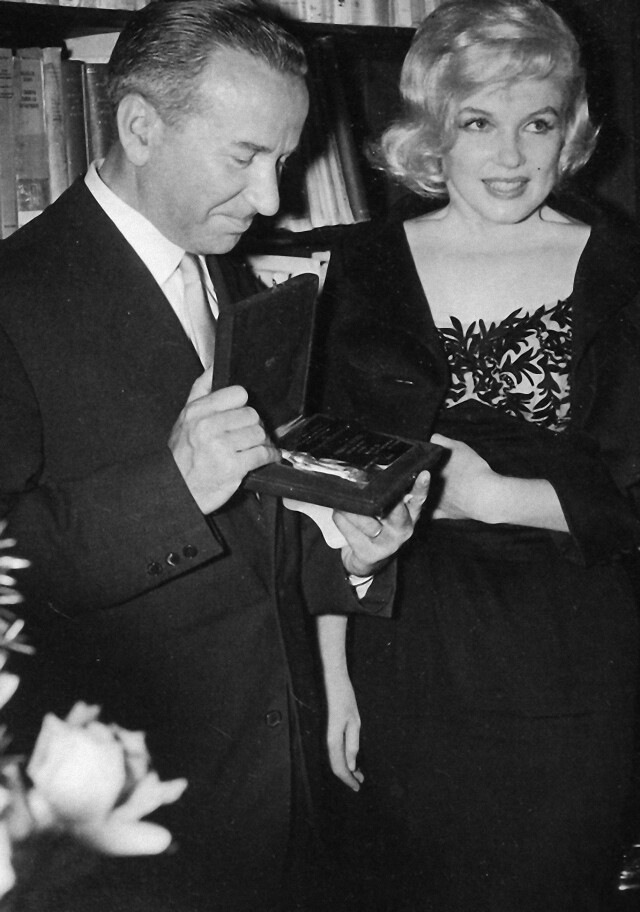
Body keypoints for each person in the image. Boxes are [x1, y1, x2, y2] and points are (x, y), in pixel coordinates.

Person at [0, 2, 430, 910]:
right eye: (245, 157)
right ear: (140, 127)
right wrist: (173, 485)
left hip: (271, 790)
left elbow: (254, 516)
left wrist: (348, 550)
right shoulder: (13, 296)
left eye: (284, 159)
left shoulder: (223, 266)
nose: (272, 199)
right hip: (116, 825)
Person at [315, 1, 640, 910]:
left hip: (572, 656)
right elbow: (320, 485)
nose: (511, 155)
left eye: (538, 123)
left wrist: (493, 497)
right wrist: (333, 676)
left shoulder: (623, 268)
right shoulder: (365, 265)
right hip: (405, 651)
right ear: (433, 132)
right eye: (478, 123)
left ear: (570, 131)